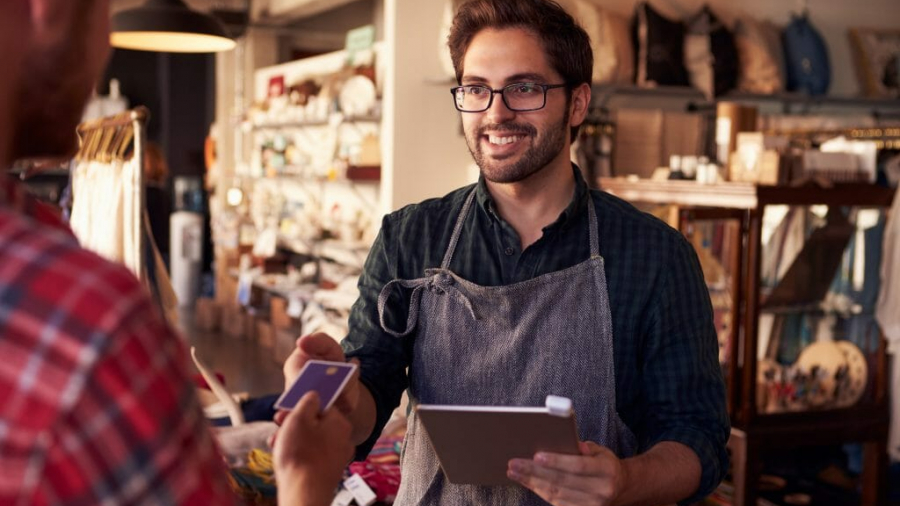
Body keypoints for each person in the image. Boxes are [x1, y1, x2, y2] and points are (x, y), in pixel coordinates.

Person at [282, 0, 730, 505]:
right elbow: (372, 398)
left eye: (524, 88)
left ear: (578, 103)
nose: (496, 112)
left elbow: (699, 439)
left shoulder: (656, 256)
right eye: (476, 89)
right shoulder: (409, 238)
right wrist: (339, 393)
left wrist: (627, 481)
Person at [0, 1, 350, 505]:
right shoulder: (85, 319)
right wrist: (305, 479)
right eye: (103, 12)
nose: (104, 51)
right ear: (48, 10)